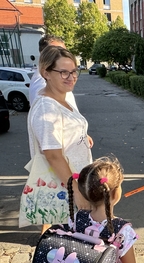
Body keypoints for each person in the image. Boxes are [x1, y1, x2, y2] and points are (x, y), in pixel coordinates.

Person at [26, 46, 93, 234]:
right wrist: (77, 193)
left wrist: (80, 135)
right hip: (65, 192)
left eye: (73, 71)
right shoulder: (47, 108)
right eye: (63, 72)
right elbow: (53, 155)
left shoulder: (62, 100)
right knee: (70, 251)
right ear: (45, 72)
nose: (71, 77)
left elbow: (62, 132)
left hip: (76, 184)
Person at [29, 34, 76, 108]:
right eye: (55, 51)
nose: (62, 54)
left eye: (64, 51)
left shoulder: (51, 77)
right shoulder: (42, 83)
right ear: (43, 54)